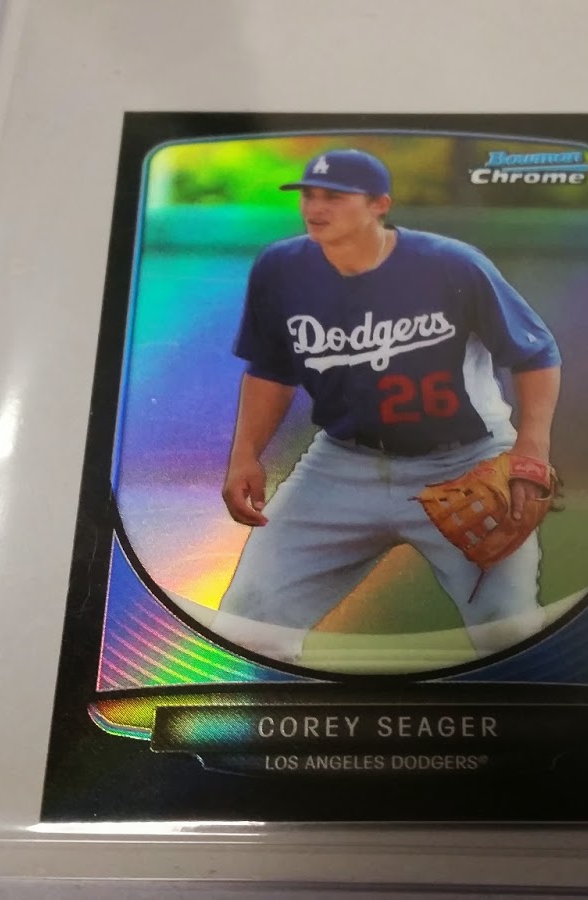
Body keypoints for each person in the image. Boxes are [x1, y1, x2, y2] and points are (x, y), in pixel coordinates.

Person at [208, 148, 562, 665]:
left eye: (335, 197)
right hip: (340, 465)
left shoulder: (449, 263)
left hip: (466, 460)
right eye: (309, 195)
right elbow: (271, 370)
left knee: (507, 631)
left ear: (379, 205)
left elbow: (536, 354)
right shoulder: (280, 268)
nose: (316, 207)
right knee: (247, 624)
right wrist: (245, 455)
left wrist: (531, 449)